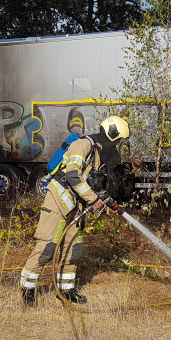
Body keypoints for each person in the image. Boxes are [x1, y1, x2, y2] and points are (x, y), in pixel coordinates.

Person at [20, 116, 129, 307]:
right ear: (112, 135)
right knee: (47, 248)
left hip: (76, 206)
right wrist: (93, 199)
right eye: (119, 141)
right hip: (58, 201)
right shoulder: (83, 145)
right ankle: (28, 289)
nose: (118, 145)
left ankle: (66, 290)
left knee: (73, 250)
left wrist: (100, 199)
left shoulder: (98, 154)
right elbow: (72, 174)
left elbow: (92, 182)